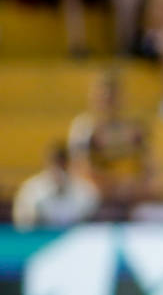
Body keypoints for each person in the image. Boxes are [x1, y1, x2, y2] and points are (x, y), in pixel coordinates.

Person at [67, 70, 153, 219]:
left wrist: (135, 186)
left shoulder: (134, 129)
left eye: (113, 98)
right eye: (104, 97)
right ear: (94, 97)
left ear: (121, 98)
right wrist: (113, 185)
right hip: (93, 197)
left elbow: (150, 168)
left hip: (130, 196)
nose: (108, 102)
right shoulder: (84, 127)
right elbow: (78, 168)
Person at [12, 142, 99, 229]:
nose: (58, 170)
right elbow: (23, 224)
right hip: (41, 235)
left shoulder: (86, 190)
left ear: (69, 164)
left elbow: (91, 225)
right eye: (55, 164)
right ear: (48, 164)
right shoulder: (30, 190)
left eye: (62, 164)